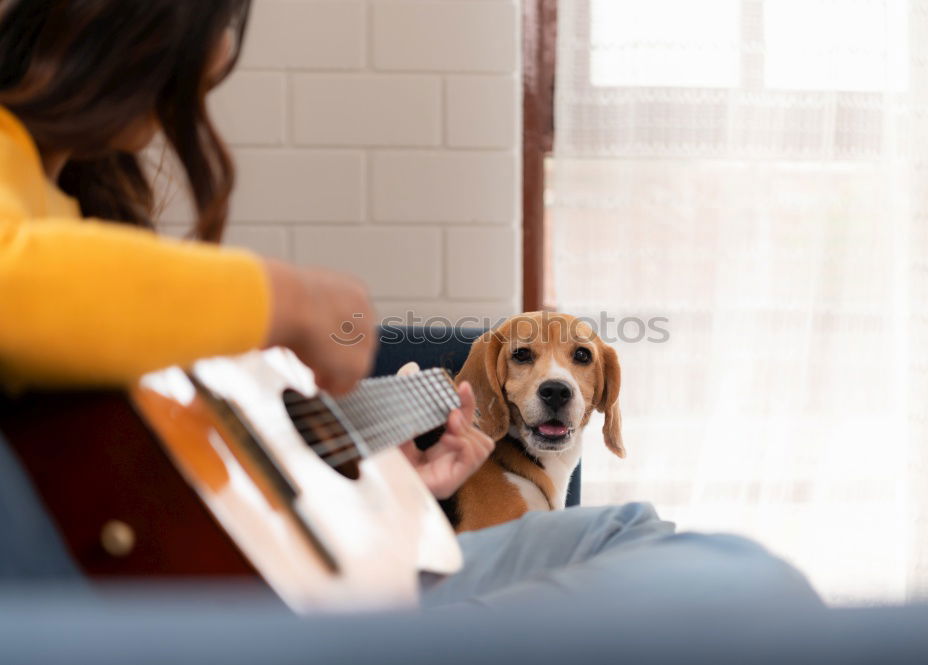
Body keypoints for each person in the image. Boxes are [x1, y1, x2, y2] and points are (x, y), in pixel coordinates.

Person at [0, 0, 820, 623]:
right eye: (199, 79)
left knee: (636, 529)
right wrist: (295, 297)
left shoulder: (68, 206)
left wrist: (396, 490)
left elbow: (196, 464)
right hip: (234, 603)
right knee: (742, 589)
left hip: (289, 569)